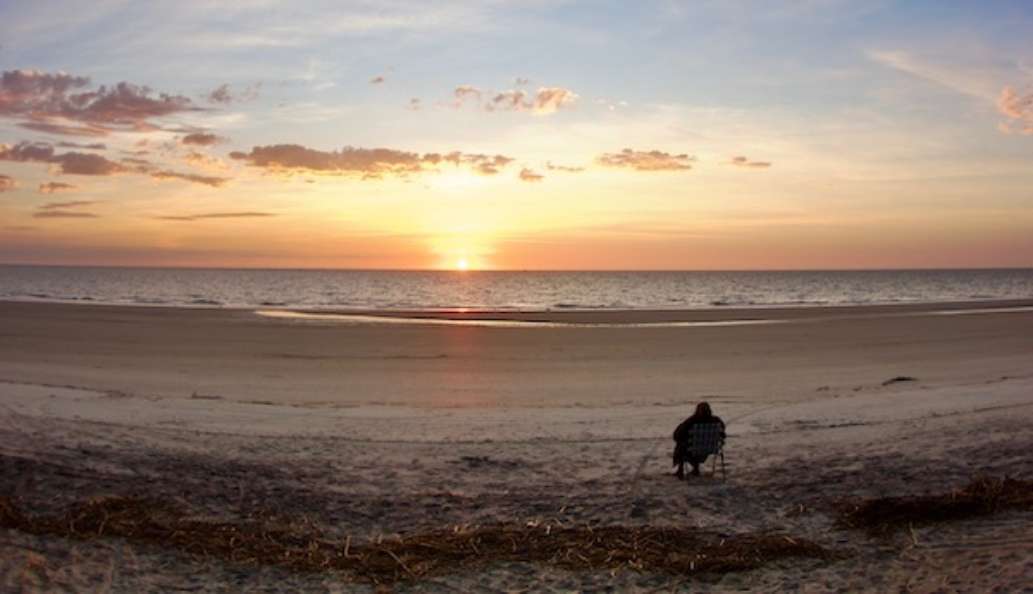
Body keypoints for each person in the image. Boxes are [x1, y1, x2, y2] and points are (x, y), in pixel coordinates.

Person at [672, 402, 725, 479]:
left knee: (681, 444)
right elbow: (722, 433)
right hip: (709, 450)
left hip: (690, 451)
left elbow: (677, 434)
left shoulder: (692, 421)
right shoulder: (717, 421)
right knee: (693, 445)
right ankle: (695, 468)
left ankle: (681, 469)